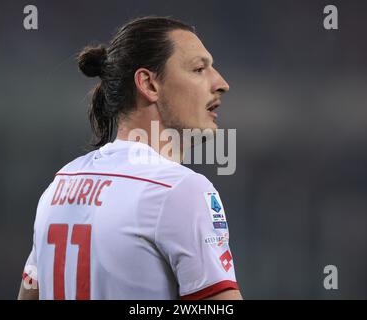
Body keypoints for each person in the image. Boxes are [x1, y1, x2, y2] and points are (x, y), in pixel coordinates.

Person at [18, 16, 242, 300]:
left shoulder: (60, 184)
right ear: (148, 84)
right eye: (199, 69)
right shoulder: (180, 190)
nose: (221, 83)